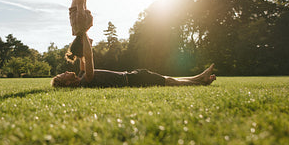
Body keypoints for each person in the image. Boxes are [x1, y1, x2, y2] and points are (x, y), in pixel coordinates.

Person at [52, 33, 217, 87]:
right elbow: (89, 56)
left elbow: (83, 55)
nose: (65, 72)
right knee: (170, 81)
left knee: (168, 79)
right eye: (62, 76)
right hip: (133, 80)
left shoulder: (81, 74)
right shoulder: (85, 80)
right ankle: (200, 81)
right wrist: (85, 38)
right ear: (67, 84)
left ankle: (200, 78)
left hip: (132, 75)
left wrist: (83, 33)